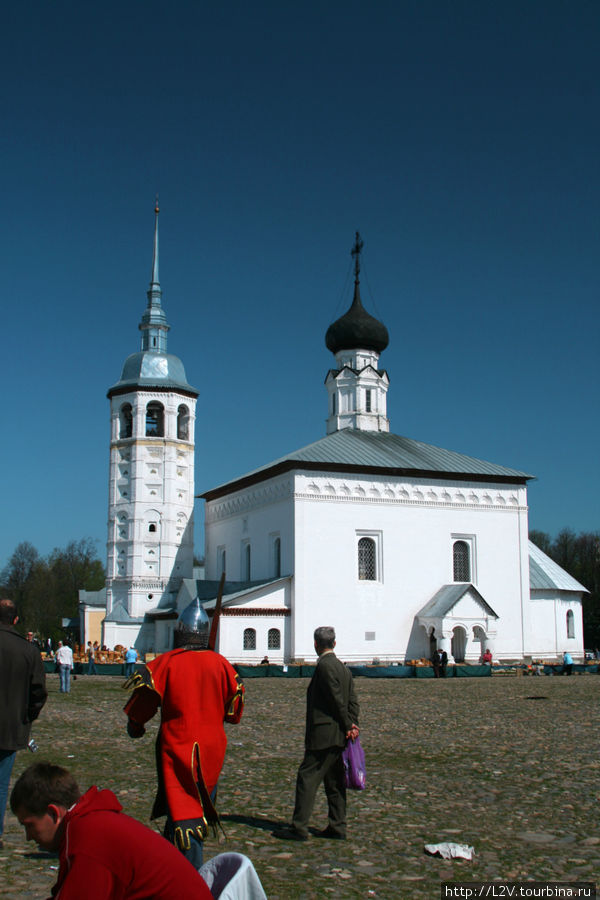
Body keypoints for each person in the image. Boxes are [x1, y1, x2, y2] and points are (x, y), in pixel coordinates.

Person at [124, 598, 245, 867]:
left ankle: (187, 877)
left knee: (185, 813)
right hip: (212, 750)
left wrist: (136, 725)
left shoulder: (167, 663)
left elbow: (142, 704)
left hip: (178, 748)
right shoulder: (222, 665)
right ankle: (172, 863)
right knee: (196, 808)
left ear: (180, 632)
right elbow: (234, 712)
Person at [10, 762, 212, 899]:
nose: (28, 837)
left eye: (29, 825)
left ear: (54, 813)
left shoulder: (87, 837)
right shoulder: (89, 821)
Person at [276, 625, 359, 842]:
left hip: (324, 734)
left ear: (316, 644)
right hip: (339, 735)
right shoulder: (343, 668)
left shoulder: (325, 667)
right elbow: (351, 699)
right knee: (334, 782)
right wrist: (352, 724)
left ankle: (299, 827)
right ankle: (338, 825)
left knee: (307, 777)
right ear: (334, 643)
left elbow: (336, 699)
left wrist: (348, 724)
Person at [0, 598, 47, 849]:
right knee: (0, 782)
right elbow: (38, 690)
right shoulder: (27, 650)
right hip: (9, 725)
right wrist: (27, 715)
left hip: (11, 723)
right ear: (16, 620)